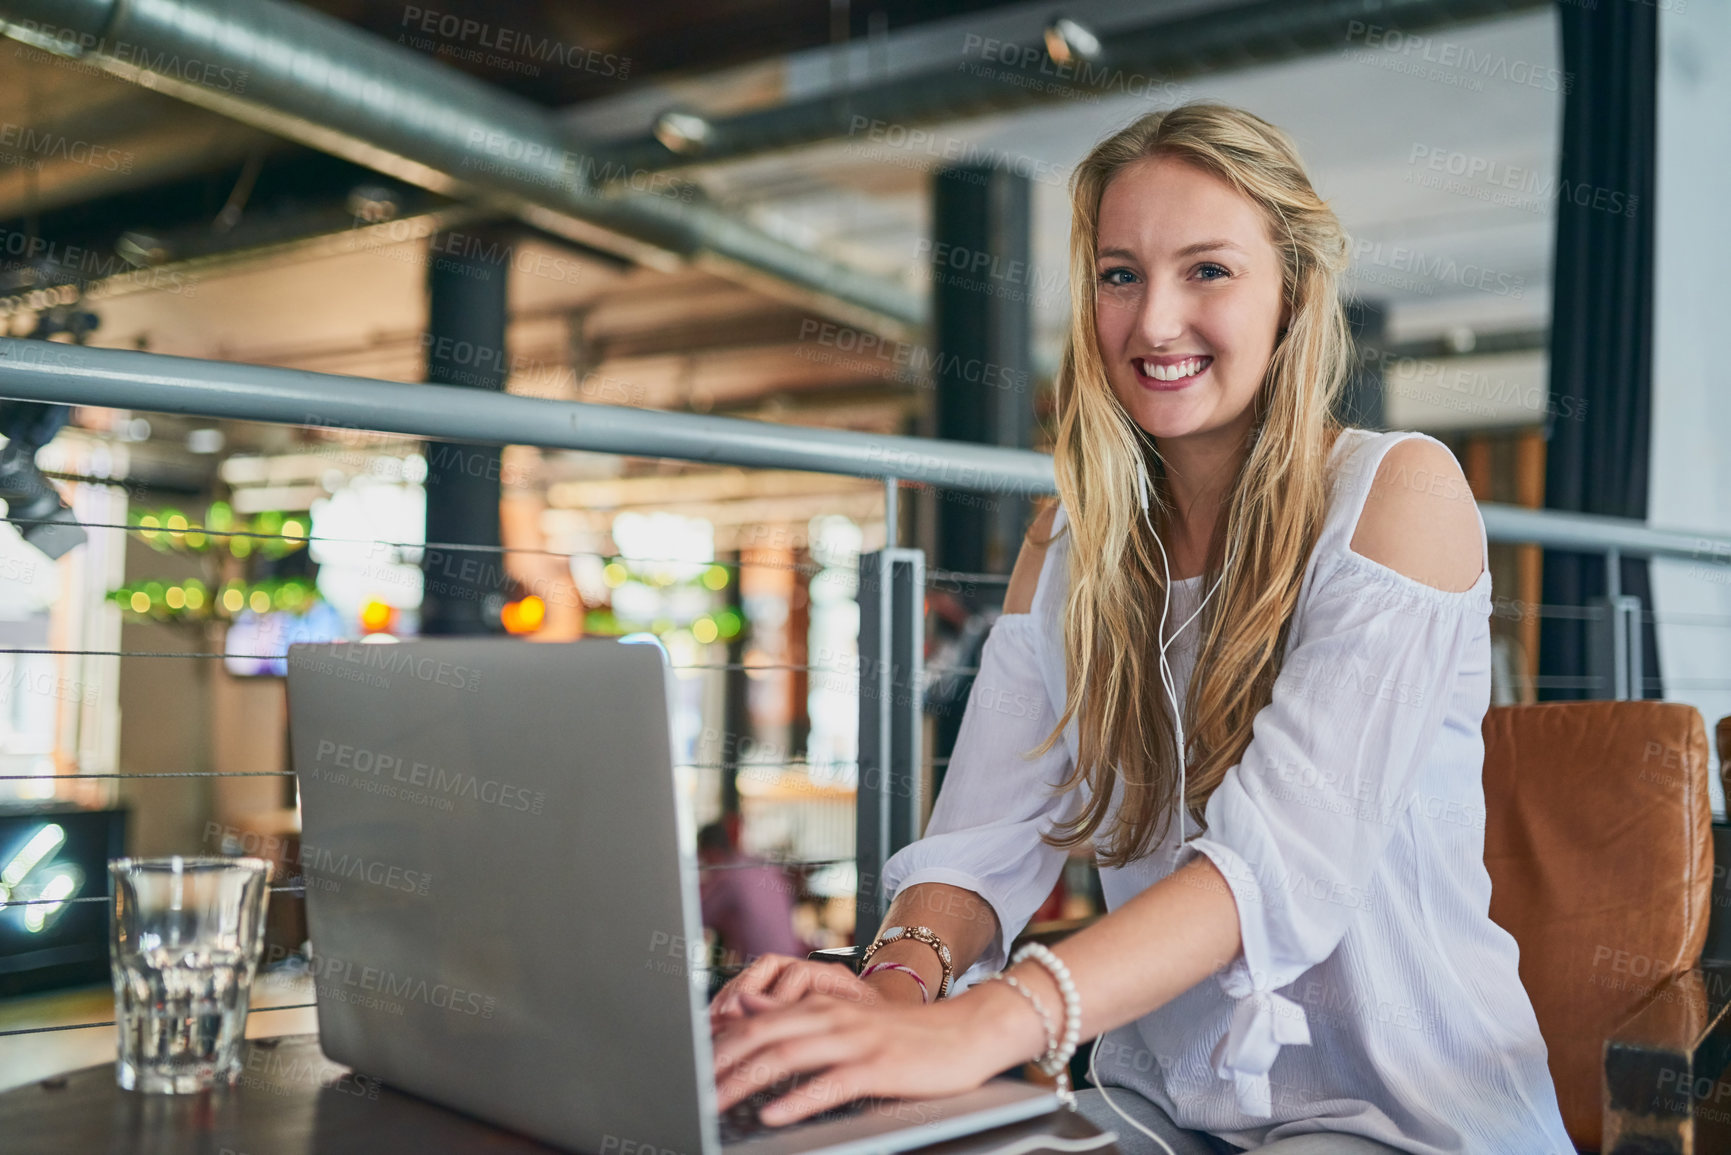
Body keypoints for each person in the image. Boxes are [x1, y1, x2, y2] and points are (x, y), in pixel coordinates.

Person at [706, 103, 1575, 1155]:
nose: (1154, 322)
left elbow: (1268, 872)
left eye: (1207, 270)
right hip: (1163, 1103)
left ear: (1291, 292)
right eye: (1121, 275)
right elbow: (986, 833)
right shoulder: (1072, 539)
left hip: (1403, 1114)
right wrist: (894, 987)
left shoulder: (1401, 496)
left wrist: (987, 1023)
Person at [696, 820, 811, 968]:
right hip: (792, 961)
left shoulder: (728, 876)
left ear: (710, 852)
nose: (705, 865)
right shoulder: (762, 865)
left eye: (704, 858)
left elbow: (699, 916)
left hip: (762, 970)